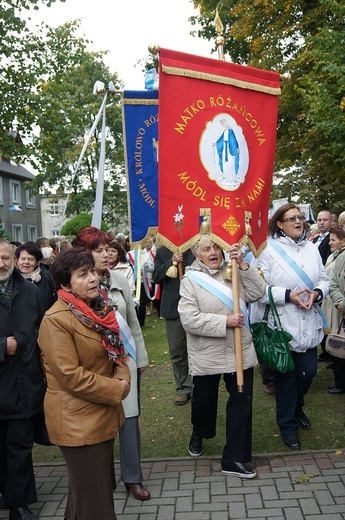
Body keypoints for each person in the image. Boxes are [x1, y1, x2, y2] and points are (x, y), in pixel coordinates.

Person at [38, 248, 131, 520]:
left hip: (99, 417)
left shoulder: (98, 309)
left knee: (86, 497)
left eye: (92, 271)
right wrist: (118, 389)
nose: (92, 278)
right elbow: (71, 376)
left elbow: (117, 352)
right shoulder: (56, 320)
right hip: (78, 421)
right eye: (82, 274)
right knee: (97, 504)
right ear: (65, 284)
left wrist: (123, 375)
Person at [178, 236, 266, 478]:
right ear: (197, 255)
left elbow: (258, 293)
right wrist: (225, 322)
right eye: (207, 249)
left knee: (241, 404)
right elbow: (189, 319)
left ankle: (234, 458)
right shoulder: (190, 281)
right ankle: (200, 431)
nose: (213, 252)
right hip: (208, 353)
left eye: (217, 247)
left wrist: (244, 266)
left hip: (239, 351)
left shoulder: (234, 270)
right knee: (203, 402)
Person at [72, 227, 150, 501]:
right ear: (83, 253)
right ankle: (101, 478)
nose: (106, 255)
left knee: (129, 421)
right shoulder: (73, 286)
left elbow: (132, 323)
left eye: (108, 248)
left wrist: (140, 357)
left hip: (123, 361)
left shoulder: (118, 279)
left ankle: (133, 477)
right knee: (97, 424)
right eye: (98, 250)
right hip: (93, 366)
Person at [250, 203, 330, 450]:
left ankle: (296, 408)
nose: (298, 221)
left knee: (308, 373)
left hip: (309, 323)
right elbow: (257, 290)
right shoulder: (266, 251)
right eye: (291, 218)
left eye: (300, 217)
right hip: (281, 327)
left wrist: (317, 293)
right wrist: (288, 295)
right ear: (280, 223)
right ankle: (288, 426)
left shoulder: (312, 248)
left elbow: (323, 279)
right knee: (286, 379)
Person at [0, 239, 46, 520]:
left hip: (24, 383)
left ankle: (19, 504)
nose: (1, 264)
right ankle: (6, 492)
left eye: (5, 257)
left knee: (20, 445)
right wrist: (1, 345)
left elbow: (43, 331)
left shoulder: (30, 291)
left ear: (14, 259)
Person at [153, 246, 194, 405]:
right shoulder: (163, 251)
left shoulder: (195, 249)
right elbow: (156, 276)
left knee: (197, 347)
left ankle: (199, 383)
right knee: (177, 349)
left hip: (195, 305)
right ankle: (183, 387)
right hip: (173, 308)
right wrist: (172, 261)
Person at [15, 241, 57, 312]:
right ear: (17, 261)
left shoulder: (48, 278)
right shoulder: (10, 280)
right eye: (23, 259)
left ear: (37, 262)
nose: (26, 262)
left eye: (30, 259)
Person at [328, 228, 345, 394]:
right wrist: (340, 302)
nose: (330, 243)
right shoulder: (338, 257)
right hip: (338, 309)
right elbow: (332, 283)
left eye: (334, 239)